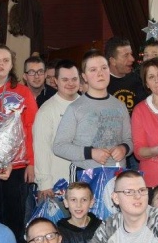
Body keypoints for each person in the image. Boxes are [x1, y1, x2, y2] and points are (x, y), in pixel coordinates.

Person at [0, 45, 38, 243]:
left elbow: (32, 128)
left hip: (16, 166)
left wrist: (32, 162)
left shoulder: (22, 92)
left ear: (11, 65)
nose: (0, 64)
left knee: (14, 217)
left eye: (5, 60)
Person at [53, 49, 133, 178]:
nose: (100, 74)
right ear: (84, 77)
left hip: (117, 175)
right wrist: (90, 153)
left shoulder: (120, 106)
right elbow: (59, 146)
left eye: (104, 68)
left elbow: (129, 140)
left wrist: (124, 148)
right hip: (86, 176)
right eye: (93, 70)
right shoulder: (75, 108)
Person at [33, 59, 80, 200]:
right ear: (55, 81)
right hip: (56, 185)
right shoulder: (47, 110)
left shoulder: (87, 105)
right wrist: (45, 184)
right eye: (65, 79)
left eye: (74, 79)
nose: (70, 83)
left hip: (84, 182)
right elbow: (41, 148)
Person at [131, 57, 158, 187]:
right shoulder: (140, 111)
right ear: (146, 84)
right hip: (155, 181)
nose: (157, 80)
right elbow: (138, 151)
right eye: (151, 77)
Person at [0, 0, 44, 78]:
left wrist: (36, 50)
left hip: (26, 44)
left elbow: (39, 29)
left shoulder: (34, 5)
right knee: (10, 72)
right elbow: (1, 29)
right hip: (9, 44)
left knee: (25, 72)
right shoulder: (5, 5)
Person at [104, 37, 147, 116]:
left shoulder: (138, 80)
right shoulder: (102, 84)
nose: (132, 59)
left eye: (131, 54)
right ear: (113, 61)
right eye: (126, 55)